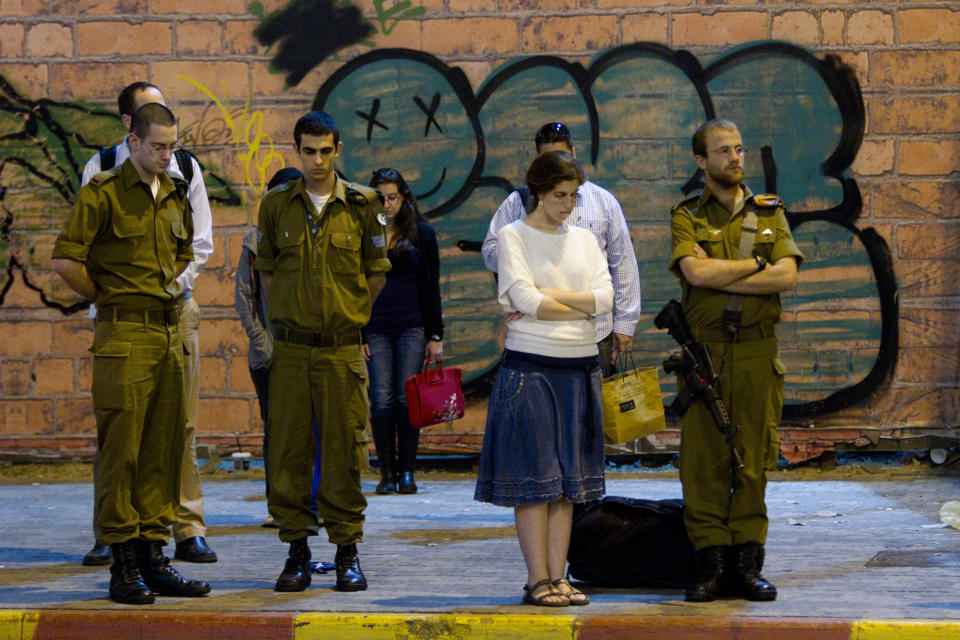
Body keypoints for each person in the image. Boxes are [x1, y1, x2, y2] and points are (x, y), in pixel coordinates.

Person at [52, 103, 211, 605]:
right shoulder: (102, 193)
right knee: (122, 453)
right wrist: (106, 294)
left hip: (168, 333)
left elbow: (188, 251)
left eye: (173, 146)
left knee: (163, 450)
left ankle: (153, 555)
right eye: (159, 146)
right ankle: (122, 565)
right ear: (135, 143)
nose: (167, 155)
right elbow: (64, 260)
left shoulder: (176, 191)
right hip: (124, 337)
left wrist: (172, 283)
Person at [254, 111, 391, 593]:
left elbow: (375, 274)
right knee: (288, 452)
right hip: (291, 352)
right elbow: (266, 273)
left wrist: (345, 313)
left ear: (338, 149)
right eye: (307, 151)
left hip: (342, 352)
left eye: (325, 151)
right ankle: (296, 550)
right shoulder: (275, 206)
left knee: (345, 451)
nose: (316, 160)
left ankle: (347, 551)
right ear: (297, 150)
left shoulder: (363, 204)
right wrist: (292, 316)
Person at [668, 119, 803, 602]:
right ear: (701, 160)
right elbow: (694, 272)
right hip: (704, 352)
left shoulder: (770, 213)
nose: (735, 158)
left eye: (739, 149)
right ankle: (711, 562)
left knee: (753, 456)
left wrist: (721, 275)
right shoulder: (686, 214)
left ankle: (747, 563)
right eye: (723, 151)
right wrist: (754, 266)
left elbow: (786, 277)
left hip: (755, 351)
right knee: (703, 461)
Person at [474, 151, 613, 607]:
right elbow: (524, 299)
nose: (567, 204)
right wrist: (574, 302)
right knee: (536, 481)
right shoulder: (514, 236)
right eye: (559, 195)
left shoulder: (586, 241)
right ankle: (537, 579)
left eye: (573, 196)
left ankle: (559, 576)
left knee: (569, 485)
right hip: (530, 368)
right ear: (537, 191)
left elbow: (606, 299)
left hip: (580, 366)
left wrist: (548, 294)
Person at [482, 122, 640, 374]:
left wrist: (625, 324)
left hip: (594, 333)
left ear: (574, 154)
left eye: (561, 156)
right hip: (538, 332)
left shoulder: (603, 202)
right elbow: (490, 251)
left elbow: (623, 265)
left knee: (590, 408)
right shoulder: (519, 202)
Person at [363, 168, 443, 496]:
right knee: (381, 400)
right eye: (381, 197)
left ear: (404, 197)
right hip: (376, 328)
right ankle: (386, 473)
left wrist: (435, 335)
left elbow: (431, 286)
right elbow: (355, 285)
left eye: (393, 196)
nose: (388, 203)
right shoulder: (365, 233)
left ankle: (408, 472)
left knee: (407, 399)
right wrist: (358, 331)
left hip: (412, 327)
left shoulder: (421, 233)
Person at [235, 167, 302, 527]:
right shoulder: (252, 242)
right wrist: (262, 342)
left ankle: (309, 502)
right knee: (276, 429)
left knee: (308, 429)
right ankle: (279, 505)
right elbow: (244, 300)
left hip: (305, 351)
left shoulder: (309, 237)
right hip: (269, 355)